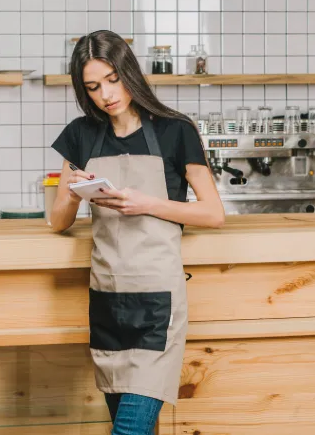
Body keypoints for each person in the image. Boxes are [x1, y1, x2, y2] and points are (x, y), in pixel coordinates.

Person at [49, 30, 225, 435]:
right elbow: (58, 221)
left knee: (129, 431)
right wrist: (77, 191)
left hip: (157, 302)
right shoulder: (80, 135)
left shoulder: (174, 130)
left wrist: (145, 204)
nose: (106, 94)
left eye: (112, 79)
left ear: (129, 71)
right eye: (93, 87)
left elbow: (213, 213)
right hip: (108, 298)